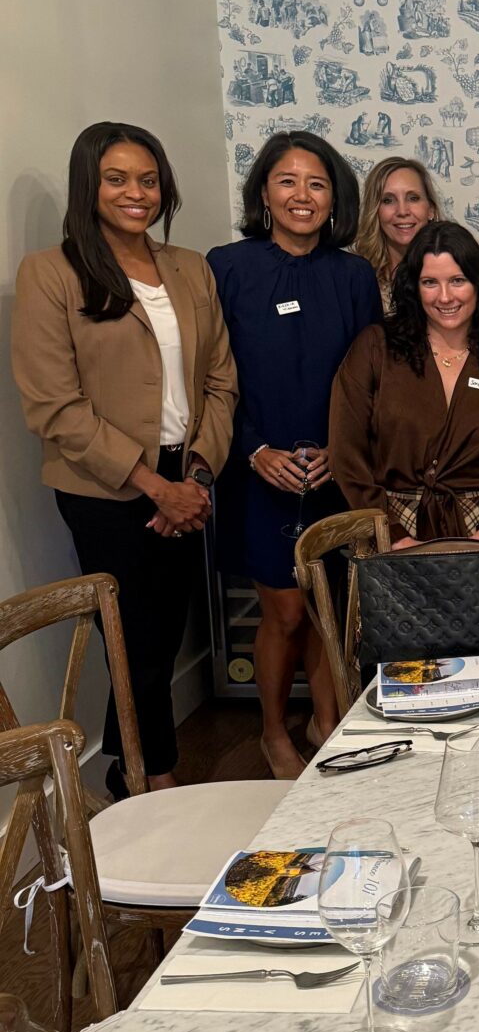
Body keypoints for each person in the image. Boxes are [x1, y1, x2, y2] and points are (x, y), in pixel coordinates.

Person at [12, 122, 237, 792]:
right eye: (117, 179)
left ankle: (124, 766)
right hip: (104, 487)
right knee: (132, 636)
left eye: (148, 180)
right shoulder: (51, 273)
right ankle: (153, 777)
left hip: (186, 474)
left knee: (163, 633)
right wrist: (152, 486)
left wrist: (195, 476)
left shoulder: (189, 267)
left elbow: (220, 380)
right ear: (89, 184)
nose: (136, 193)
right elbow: (54, 405)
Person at [208, 131, 382, 777]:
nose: (302, 195)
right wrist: (253, 449)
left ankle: (326, 721)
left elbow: (370, 377)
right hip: (260, 469)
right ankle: (274, 732)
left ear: (334, 198)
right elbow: (212, 375)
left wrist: (344, 449)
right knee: (284, 609)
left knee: (328, 604)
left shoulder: (353, 275)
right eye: (287, 180)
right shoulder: (227, 267)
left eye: (316, 183)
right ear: (264, 192)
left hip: (335, 469)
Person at [329, 220, 479, 547]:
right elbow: (346, 456)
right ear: (414, 288)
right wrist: (395, 537)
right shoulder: (375, 350)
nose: (445, 297)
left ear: (478, 284)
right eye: (430, 282)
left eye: (457, 280)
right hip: (387, 535)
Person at [352, 156, 442, 309]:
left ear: (431, 210)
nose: (402, 211)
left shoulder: (457, 270)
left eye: (413, 198)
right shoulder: (355, 277)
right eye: (388, 200)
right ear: (375, 211)